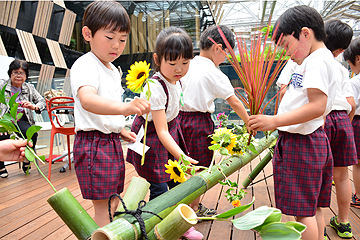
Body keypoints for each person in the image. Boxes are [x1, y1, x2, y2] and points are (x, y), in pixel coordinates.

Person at [248, 5, 338, 240]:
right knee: (312, 207)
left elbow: (317, 106)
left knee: (302, 214)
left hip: (302, 143)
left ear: (305, 33)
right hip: (312, 141)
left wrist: (274, 121)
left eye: (287, 45)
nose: (286, 53)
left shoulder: (316, 61)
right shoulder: (317, 59)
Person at [70, 1, 150, 227]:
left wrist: (120, 129)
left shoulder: (113, 69)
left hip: (110, 141)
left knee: (113, 199)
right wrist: (126, 108)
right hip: (94, 144)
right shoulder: (86, 64)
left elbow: (105, 107)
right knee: (104, 206)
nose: (117, 45)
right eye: (109, 37)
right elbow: (88, 100)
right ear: (87, 34)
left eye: (123, 39)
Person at [126, 26, 203, 240]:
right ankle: (152, 229)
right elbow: (160, 131)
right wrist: (182, 156)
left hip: (170, 134)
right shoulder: (154, 86)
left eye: (185, 63)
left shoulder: (176, 81)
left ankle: (179, 225)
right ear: (157, 60)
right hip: (152, 140)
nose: (179, 69)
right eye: (172, 63)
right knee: (160, 187)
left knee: (178, 184)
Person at [179, 25, 250, 217]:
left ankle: (178, 208)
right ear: (218, 48)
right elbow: (234, 101)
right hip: (198, 123)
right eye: (227, 53)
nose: (226, 57)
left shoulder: (185, 64)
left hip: (176, 120)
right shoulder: (215, 73)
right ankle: (193, 209)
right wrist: (249, 123)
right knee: (200, 167)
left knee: (181, 165)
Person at [323, 19, 357, 239]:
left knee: (317, 174)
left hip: (322, 119)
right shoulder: (341, 68)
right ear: (343, 50)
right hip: (343, 119)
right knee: (342, 175)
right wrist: (346, 121)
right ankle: (344, 223)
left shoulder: (308, 62)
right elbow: (351, 103)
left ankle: (317, 227)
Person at [0, 59, 46, 178]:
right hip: (5, 120)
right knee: (1, 136)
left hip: (21, 120)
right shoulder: (2, 85)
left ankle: (26, 159)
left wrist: (33, 106)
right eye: (15, 72)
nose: (19, 75)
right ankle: (1, 166)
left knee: (32, 134)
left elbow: (42, 101)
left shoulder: (29, 87)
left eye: (22, 73)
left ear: (26, 75)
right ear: (10, 73)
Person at [344, 37, 360, 210]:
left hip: (358, 123)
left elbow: (351, 105)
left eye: (350, 63)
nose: (351, 68)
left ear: (358, 58)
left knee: (358, 163)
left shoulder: (355, 81)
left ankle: (359, 196)